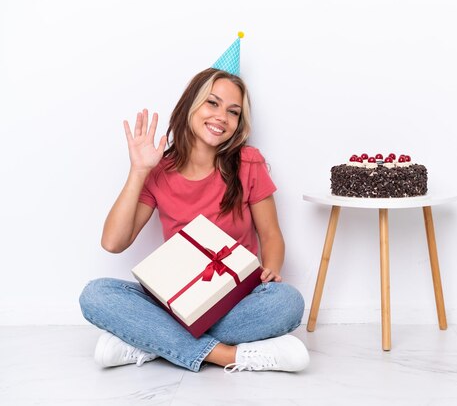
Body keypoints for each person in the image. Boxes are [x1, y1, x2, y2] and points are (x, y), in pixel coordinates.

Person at [78, 66, 309, 373]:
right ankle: (228, 356)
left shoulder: (249, 162)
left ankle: (148, 342)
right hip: (174, 304)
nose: (221, 117)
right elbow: (113, 242)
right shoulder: (159, 171)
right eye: (212, 103)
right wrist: (138, 171)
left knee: (287, 302)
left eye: (233, 111)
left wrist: (273, 269)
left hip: (235, 300)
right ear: (191, 105)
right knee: (96, 294)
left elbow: (271, 235)